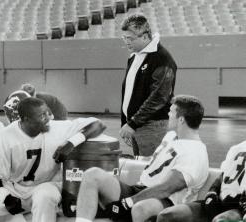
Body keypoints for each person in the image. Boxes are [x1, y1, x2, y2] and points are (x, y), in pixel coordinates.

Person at [0, 97, 106, 222]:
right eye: (41, 116)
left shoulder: (56, 127)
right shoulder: (5, 137)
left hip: (44, 185)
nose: (48, 118)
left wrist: (72, 142)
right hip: (14, 187)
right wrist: (6, 197)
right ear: (25, 119)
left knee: (45, 195)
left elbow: (98, 124)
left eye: (47, 113)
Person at [75, 95, 209, 222]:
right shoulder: (172, 136)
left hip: (167, 201)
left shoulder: (194, 152)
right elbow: (157, 162)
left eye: (172, 112)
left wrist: (130, 201)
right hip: (141, 189)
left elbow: (166, 188)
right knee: (92, 175)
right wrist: (132, 158)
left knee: (142, 208)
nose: (168, 115)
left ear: (181, 119)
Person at [119, 15, 177, 157]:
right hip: (136, 125)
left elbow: (159, 97)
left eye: (130, 39)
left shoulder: (162, 58)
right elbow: (128, 93)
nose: (126, 42)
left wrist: (132, 124)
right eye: (124, 38)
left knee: (151, 171)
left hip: (153, 127)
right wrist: (126, 123)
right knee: (141, 170)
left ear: (145, 36)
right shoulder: (135, 56)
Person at [157, 140, 246, 222]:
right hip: (218, 202)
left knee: (221, 220)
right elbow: (222, 176)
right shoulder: (236, 148)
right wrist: (211, 194)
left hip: (239, 207)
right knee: (166, 216)